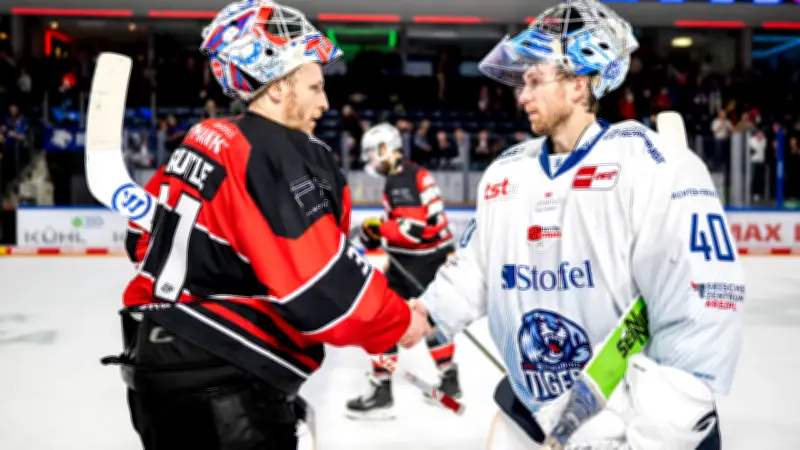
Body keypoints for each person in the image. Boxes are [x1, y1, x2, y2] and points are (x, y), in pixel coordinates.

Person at [401, 0, 744, 448]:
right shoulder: (507, 171)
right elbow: (477, 267)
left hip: (626, 419)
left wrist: (654, 431)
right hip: (534, 412)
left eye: (535, 80)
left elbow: (702, 308)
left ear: (579, 83)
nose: (522, 95)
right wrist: (427, 314)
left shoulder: (651, 164)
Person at [101, 2, 429, 449]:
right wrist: (394, 323)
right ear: (276, 88)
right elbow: (316, 282)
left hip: (154, 370)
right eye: (314, 86)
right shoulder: (279, 151)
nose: (325, 101)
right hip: (226, 383)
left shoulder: (202, 139)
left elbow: (141, 242)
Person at [345, 123, 460, 420]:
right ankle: (450, 380)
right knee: (431, 321)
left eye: (371, 153)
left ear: (384, 149)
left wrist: (375, 229)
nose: (370, 160)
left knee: (378, 319)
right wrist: (381, 235)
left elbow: (411, 232)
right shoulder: (412, 172)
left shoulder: (399, 180)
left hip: (415, 261)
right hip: (430, 258)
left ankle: (382, 392)